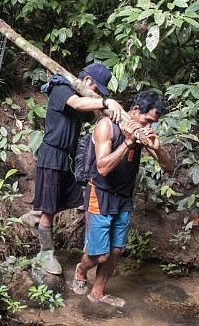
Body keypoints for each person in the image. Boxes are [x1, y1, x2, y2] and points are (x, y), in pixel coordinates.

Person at [71, 90, 173, 307]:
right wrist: (128, 142)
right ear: (135, 110)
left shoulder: (142, 132)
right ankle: (80, 271)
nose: (148, 127)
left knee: (116, 251)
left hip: (124, 198)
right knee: (101, 255)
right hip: (100, 194)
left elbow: (168, 166)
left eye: (152, 124)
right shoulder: (107, 126)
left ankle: (97, 293)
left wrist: (158, 148)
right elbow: (103, 167)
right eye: (147, 120)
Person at [24, 63, 125, 275]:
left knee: (77, 200)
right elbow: (78, 104)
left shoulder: (82, 99)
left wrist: (109, 109)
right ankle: (46, 253)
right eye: (97, 89)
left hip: (67, 158)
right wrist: (106, 101)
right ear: (88, 81)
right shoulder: (62, 89)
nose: (96, 93)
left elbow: (92, 112)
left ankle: (36, 214)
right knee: (50, 209)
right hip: (52, 155)